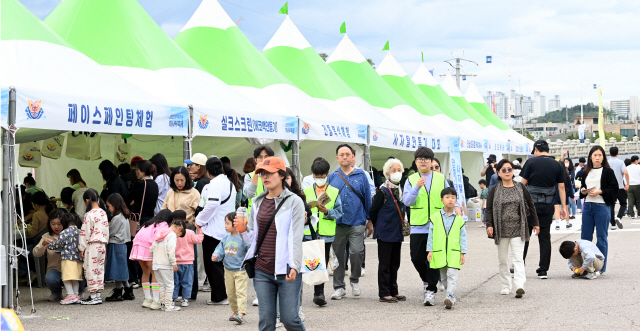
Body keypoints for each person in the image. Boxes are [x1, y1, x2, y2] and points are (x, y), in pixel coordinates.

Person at [238, 156, 306, 331]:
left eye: (269, 173)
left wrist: (295, 265)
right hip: (262, 270)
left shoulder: (294, 201)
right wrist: (243, 230)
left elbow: (296, 237)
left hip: (287, 268)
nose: (265, 177)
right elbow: (253, 238)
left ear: (282, 175)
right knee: (266, 322)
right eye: (262, 174)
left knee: (290, 319)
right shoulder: (258, 201)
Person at [403, 147, 460, 306]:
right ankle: (427, 281)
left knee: (433, 260)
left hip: (437, 225)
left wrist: (456, 208)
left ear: (431, 161)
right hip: (418, 225)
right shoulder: (411, 179)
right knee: (416, 258)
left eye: (426, 159)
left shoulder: (441, 178)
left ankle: (431, 291)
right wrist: (417, 187)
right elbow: (407, 201)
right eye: (420, 159)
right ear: (416, 162)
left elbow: (450, 196)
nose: (423, 162)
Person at [486, 159, 539, 298]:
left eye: (510, 169)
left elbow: (530, 204)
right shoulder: (494, 189)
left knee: (518, 258)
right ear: (498, 172)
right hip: (500, 229)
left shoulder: (520, 187)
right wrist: (489, 224)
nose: (507, 172)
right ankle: (505, 285)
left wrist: (535, 223)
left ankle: (519, 285)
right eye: (504, 170)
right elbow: (489, 208)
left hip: (518, 228)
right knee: (503, 259)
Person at [327, 144, 372, 300]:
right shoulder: (332, 177)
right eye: (342, 154)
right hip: (338, 222)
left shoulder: (361, 176)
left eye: (348, 154)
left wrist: (370, 220)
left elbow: (367, 198)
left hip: (357, 220)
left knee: (356, 251)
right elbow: (327, 200)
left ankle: (354, 279)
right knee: (338, 256)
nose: (345, 157)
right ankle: (339, 287)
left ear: (353, 157)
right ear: (337, 158)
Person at [195, 157, 239, 305]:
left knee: (213, 264)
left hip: (213, 230)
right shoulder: (229, 183)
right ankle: (226, 293)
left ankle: (219, 296)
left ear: (207, 171)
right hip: (226, 229)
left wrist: (199, 220)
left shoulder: (215, 184)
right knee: (223, 264)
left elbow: (212, 204)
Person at [520, 139, 567, 279]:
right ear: (548, 150)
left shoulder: (531, 162)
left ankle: (519, 265)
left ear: (535, 150)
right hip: (547, 205)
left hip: (530, 205)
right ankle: (543, 270)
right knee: (545, 237)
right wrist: (564, 207)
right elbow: (562, 187)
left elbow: (522, 184)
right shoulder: (557, 164)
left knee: (525, 236)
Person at [302, 158, 342, 306]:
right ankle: (315, 291)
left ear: (327, 175)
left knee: (322, 263)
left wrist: (327, 211)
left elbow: (339, 212)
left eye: (322, 176)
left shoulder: (334, 191)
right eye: (316, 176)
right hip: (310, 232)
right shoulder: (306, 191)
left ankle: (319, 293)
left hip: (326, 233)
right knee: (312, 262)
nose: (319, 179)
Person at [369, 158, 406, 303]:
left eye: (399, 170)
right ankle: (384, 292)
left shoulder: (401, 189)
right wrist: (380, 224)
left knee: (395, 263)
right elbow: (373, 211)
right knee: (385, 263)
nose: (397, 173)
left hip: (397, 231)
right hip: (385, 232)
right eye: (393, 170)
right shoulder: (383, 191)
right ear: (387, 173)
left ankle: (393, 290)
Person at [579, 145, 618, 274]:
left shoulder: (608, 171)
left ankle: (600, 267)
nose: (597, 157)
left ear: (603, 157)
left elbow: (614, 189)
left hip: (601, 206)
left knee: (601, 237)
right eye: (595, 155)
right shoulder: (586, 171)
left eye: (600, 155)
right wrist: (583, 191)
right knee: (585, 237)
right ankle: (585, 267)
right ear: (590, 157)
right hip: (588, 206)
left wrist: (600, 191)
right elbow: (582, 188)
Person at [426, 187, 467, 309]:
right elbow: (431, 236)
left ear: (456, 200)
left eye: (453, 198)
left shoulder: (459, 219)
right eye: (447, 197)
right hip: (439, 251)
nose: (450, 200)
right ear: (442, 200)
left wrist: (463, 252)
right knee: (443, 277)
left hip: (454, 252)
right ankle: (450, 294)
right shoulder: (435, 217)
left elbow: (463, 236)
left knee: (452, 275)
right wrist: (430, 250)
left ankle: (450, 296)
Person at [212, 212, 251, 324]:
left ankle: (241, 313)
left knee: (240, 292)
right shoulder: (225, 238)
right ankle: (235, 311)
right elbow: (219, 250)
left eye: (227, 223)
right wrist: (216, 256)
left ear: (235, 224)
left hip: (240, 270)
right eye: (225, 223)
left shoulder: (243, 238)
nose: (225, 226)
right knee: (230, 293)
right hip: (228, 270)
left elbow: (250, 250)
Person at [131, 209, 172, 310]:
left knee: (145, 272)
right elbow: (159, 237)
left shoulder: (149, 223)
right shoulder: (163, 225)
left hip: (138, 246)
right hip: (149, 247)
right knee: (155, 273)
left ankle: (147, 299)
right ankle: (156, 301)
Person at [79, 189, 109, 305]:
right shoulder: (103, 213)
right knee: (99, 269)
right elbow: (106, 230)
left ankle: (92, 296)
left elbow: (85, 232)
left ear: (87, 200)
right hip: (102, 244)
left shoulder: (89, 214)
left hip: (92, 245)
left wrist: (82, 247)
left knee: (91, 269)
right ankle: (98, 295)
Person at [48, 213, 83, 304]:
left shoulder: (64, 232)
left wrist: (51, 245)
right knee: (75, 278)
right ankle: (76, 295)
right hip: (78, 259)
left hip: (67, 258)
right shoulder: (80, 231)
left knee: (66, 278)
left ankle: (70, 295)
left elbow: (59, 244)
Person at [151, 219, 186, 311]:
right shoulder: (172, 235)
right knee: (170, 285)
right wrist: (174, 263)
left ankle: (163, 304)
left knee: (161, 285)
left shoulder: (161, 233)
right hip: (165, 264)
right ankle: (168, 305)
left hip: (156, 263)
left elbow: (151, 248)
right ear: (179, 229)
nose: (177, 237)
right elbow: (171, 250)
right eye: (179, 236)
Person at [33, 210, 68, 301]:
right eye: (53, 224)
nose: (56, 226)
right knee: (50, 278)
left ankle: (78, 293)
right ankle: (56, 293)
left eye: (59, 224)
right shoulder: (47, 236)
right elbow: (36, 253)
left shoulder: (70, 234)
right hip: (55, 269)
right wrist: (43, 244)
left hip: (71, 267)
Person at [104, 193, 134, 301]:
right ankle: (127, 290)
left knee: (117, 269)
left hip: (115, 244)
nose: (109, 208)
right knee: (121, 269)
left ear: (114, 205)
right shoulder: (124, 216)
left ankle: (118, 292)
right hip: (122, 245)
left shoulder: (117, 218)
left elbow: (110, 232)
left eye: (109, 206)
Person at [172, 210, 204, 307]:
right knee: (187, 281)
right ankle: (185, 299)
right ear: (186, 220)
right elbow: (199, 240)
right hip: (188, 262)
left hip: (175, 262)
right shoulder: (190, 232)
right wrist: (200, 230)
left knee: (174, 282)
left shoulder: (172, 233)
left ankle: (173, 298)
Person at [243, 146, 275, 214]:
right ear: (255, 160)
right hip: (253, 214)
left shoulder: (276, 174)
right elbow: (249, 194)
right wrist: (256, 173)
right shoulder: (249, 176)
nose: (263, 159)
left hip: (272, 212)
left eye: (266, 157)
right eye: (260, 157)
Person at [607, 147, 628, 230]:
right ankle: (619, 217)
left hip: (610, 188)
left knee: (611, 206)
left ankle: (613, 225)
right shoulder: (620, 162)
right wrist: (628, 183)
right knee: (623, 204)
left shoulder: (607, 162)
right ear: (618, 153)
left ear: (609, 153)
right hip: (620, 187)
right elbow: (625, 172)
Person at [554, 159, 575, 230]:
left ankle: (557, 224)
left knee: (556, 209)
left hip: (556, 193)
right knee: (566, 209)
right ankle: (567, 223)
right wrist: (572, 196)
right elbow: (570, 187)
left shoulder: (554, 175)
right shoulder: (566, 175)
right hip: (564, 193)